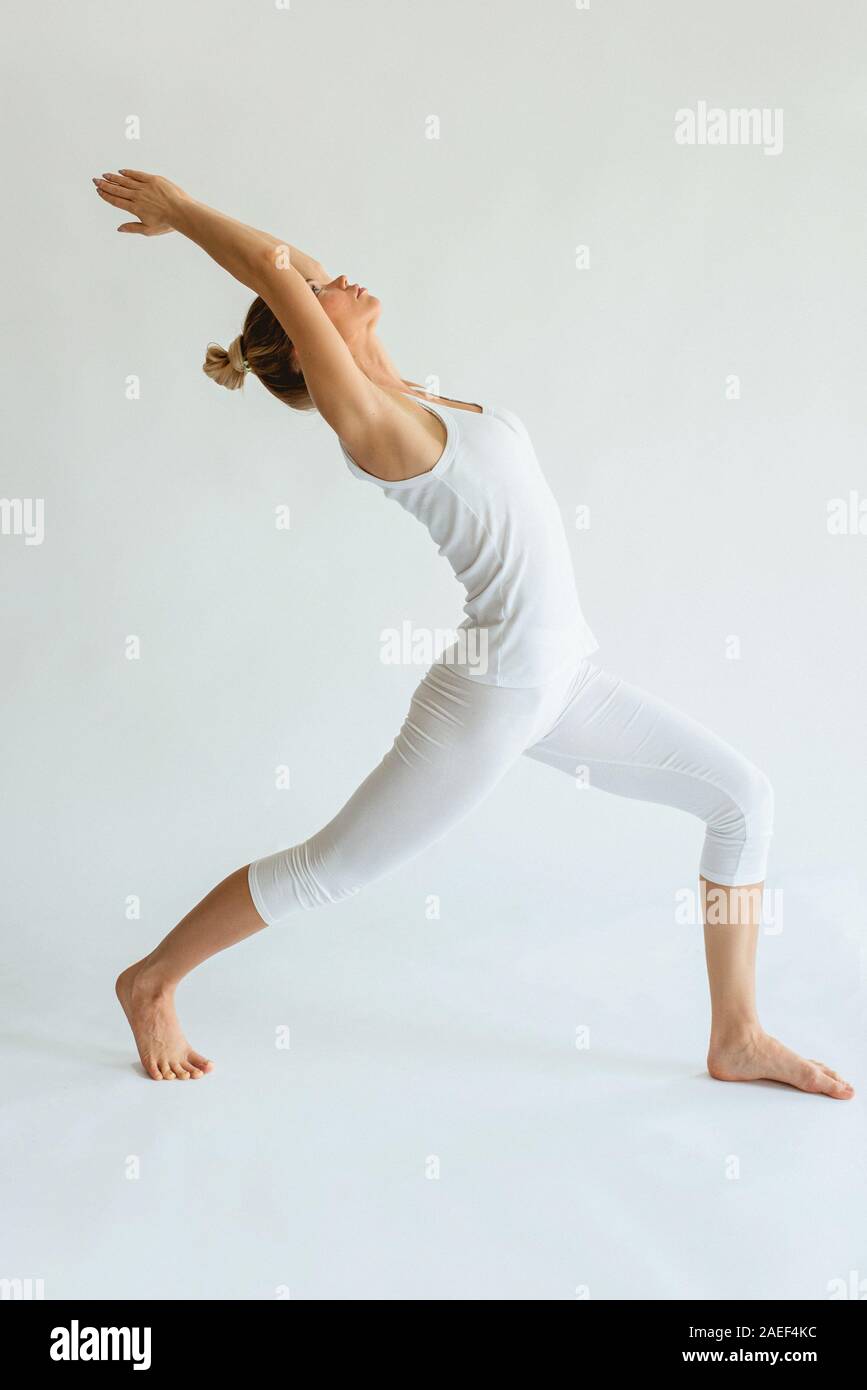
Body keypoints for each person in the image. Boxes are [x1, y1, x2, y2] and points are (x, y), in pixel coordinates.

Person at [93, 169, 853, 1099]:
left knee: (743, 800)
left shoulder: (410, 391)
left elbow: (288, 268)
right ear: (307, 335)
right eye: (315, 292)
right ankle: (152, 979)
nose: (334, 277)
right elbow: (271, 266)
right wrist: (180, 212)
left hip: (564, 681)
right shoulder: (371, 422)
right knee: (328, 870)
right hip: (491, 699)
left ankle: (736, 1036)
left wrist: (269, 267)